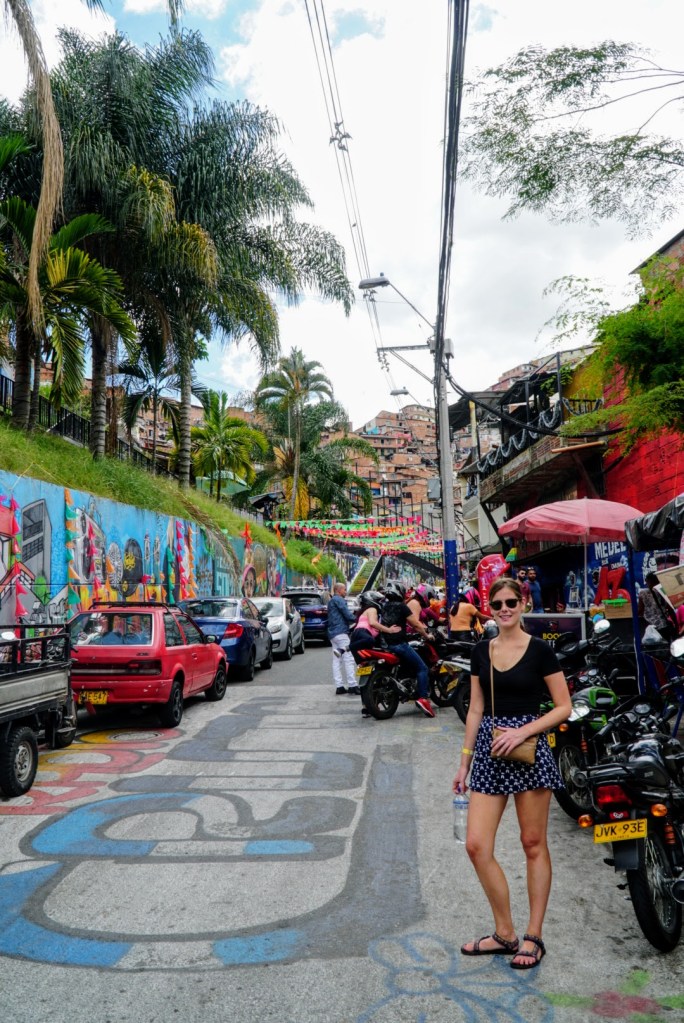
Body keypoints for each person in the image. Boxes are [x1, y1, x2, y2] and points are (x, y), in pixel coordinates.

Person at [452, 577, 571, 969]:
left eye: (511, 602)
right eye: (497, 603)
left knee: (532, 843)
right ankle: (505, 933)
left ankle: (533, 937)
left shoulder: (540, 651)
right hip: (490, 750)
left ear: (523, 604)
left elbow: (563, 706)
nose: (504, 609)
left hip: (529, 748)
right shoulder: (480, 651)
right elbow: (475, 709)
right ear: (489, 608)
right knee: (476, 845)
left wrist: (523, 730)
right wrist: (465, 762)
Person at [380, 581, 436, 718]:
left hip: (386, 645)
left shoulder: (385, 606)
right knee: (422, 668)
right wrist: (427, 635)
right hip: (400, 644)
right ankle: (423, 698)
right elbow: (416, 624)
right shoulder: (402, 607)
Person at [327, 582, 359, 696]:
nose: (346, 592)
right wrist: (358, 619)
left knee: (337, 660)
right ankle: (352, 685)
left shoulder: (331, 601)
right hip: (341, 632)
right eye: (344, 590)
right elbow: (347, 615)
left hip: (332, 634)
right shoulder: (339, 600)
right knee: (348, 658)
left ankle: (339, 686)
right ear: (339, 590)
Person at [638, 572, 678, 642]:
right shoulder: (663, 591)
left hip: (650, 627)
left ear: (647, 581)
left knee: (653, 647)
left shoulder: (643, 593)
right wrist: (676, 624)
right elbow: (670, 610)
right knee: (667, 645)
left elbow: (640, 611)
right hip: (664, 625)